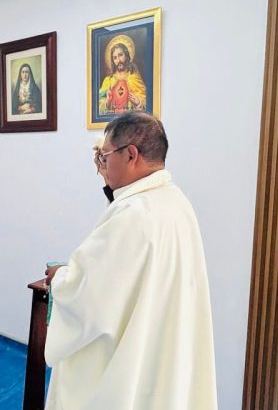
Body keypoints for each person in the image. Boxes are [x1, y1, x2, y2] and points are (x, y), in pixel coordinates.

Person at [43, 113, 218, 409]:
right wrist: (109, 178)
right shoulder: (176, 201)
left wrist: (59, 276)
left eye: (105, 156)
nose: (102, 164)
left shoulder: (134, 214)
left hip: (130, 353)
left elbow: (89, 295)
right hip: (163, 339)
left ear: (131, 155)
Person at [98, 36, 147, 114]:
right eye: (115, 58)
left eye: (120, 55)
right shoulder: (108, 80)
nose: (118, 60)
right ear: (113, 61)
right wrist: (107, 102)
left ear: (126, 55)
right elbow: (98, 104)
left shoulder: (133, 77)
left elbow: (146, 99)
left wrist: (138, 103)